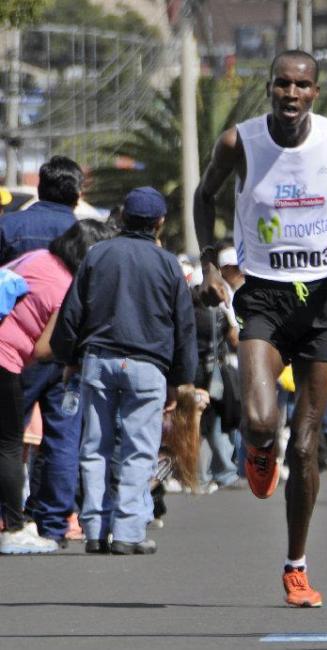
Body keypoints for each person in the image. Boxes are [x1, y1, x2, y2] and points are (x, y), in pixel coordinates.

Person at [194, 49, 327, 606]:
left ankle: (296, 566)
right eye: (282, 84)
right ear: (269, 87)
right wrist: (209, 262)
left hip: (325, 297)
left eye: (302, 85)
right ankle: (256, 447)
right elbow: (205, 197)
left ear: (315, 92)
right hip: (265, 295)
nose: (291, 94)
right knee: (259, 419)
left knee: (305, 445)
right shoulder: (239, 142)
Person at [51, 187, 198, 554]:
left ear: (122, 219)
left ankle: (96, 530)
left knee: (94, 447)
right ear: (159, 222)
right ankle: (129, 532)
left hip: (98, 361)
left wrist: (68, 358)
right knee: (138, 450)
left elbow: (72, 313)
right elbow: (184, 325)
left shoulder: (98, 255)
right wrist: (183, 379)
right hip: (148, 367)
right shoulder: (167, 264)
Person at [0, 220, 113, 554]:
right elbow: (44, 348)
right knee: (7, 445)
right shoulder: (65, 286)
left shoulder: (35, 259)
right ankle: (14, 527)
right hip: (5, 358)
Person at [0, 157, 91, 547]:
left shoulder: (10, 226)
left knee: (8, 435)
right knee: (62, 433)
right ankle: (54, 522)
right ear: (77, 193)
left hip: (18, 343)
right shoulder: (85, 233)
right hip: (64, 347)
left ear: (40, 188)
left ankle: (8, 516)